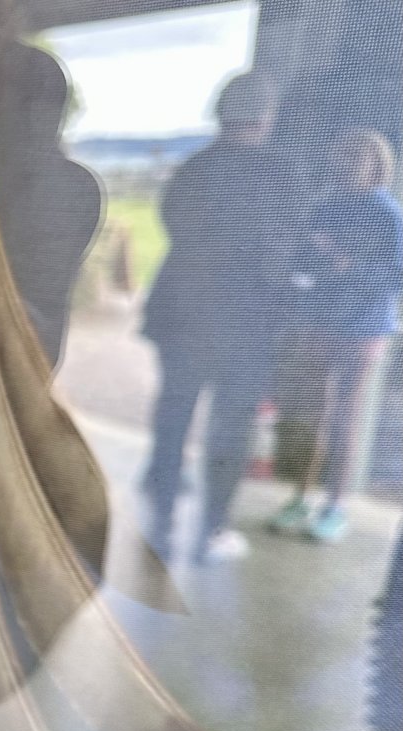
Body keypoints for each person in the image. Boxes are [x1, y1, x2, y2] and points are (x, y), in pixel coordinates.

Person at [141, 72, 303, 563]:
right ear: (266, 116)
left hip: (182, 311)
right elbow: (282, 251)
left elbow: (175, 226)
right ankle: (212, 531)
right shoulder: (280, 175)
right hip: (244, 319)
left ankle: (160, 512)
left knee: (174, 412)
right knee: (231, 426)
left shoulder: (194, 168)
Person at [268, 129, 402, 543]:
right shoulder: (325, 207)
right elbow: (302, 260)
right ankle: (301, 496)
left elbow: (393, 278)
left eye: (355, 157)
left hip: (361, 329)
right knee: (313, 415)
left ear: (376, 165)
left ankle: (335, 506)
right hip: (319, 323)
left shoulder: (388, 215)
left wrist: (346, 266)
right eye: (341, 156)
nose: (345, 164)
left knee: (346, 417)